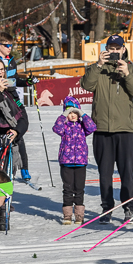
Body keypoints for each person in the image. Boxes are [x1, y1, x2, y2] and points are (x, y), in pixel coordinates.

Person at [80, 34, 133, 224]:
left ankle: (128, 208)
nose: (114, 51)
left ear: (123, 50)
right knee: (105, 173)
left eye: (118, 48)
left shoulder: (132, 69)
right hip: (102, 129)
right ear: (106, 50)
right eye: (111, 48)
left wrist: (126, 74)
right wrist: (98, 65)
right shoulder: (97, 69)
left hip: (125, 129)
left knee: (126, 172)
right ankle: (107, 208)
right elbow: (86, 85)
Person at [53, 96, 97, 225]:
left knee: (79, 188)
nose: (72, 115)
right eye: (69, 113)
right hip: (66, 162)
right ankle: (67, 215)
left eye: (75, 112)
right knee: (68, 188)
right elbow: (56, 128)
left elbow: (92, 127)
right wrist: (64, 115)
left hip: (80, 162)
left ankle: (79, 215)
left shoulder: (83, 126)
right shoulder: (64, 127)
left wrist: (82, 113)